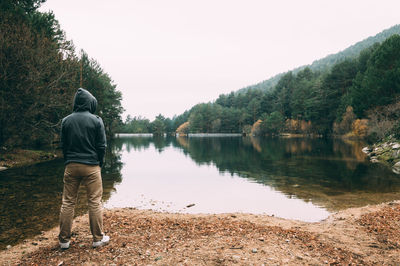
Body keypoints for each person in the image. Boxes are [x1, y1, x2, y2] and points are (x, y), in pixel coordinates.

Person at [59, 88, 109, 249]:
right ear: (89, 103)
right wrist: (99, 162)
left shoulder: (66, 121)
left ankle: (64, 241)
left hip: (71, 166)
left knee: (68, 202)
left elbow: (64, 145)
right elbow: (102, 146)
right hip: (91, 166)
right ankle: (97, 239)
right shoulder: (96, 120)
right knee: (94, 202)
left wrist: (68, 161)